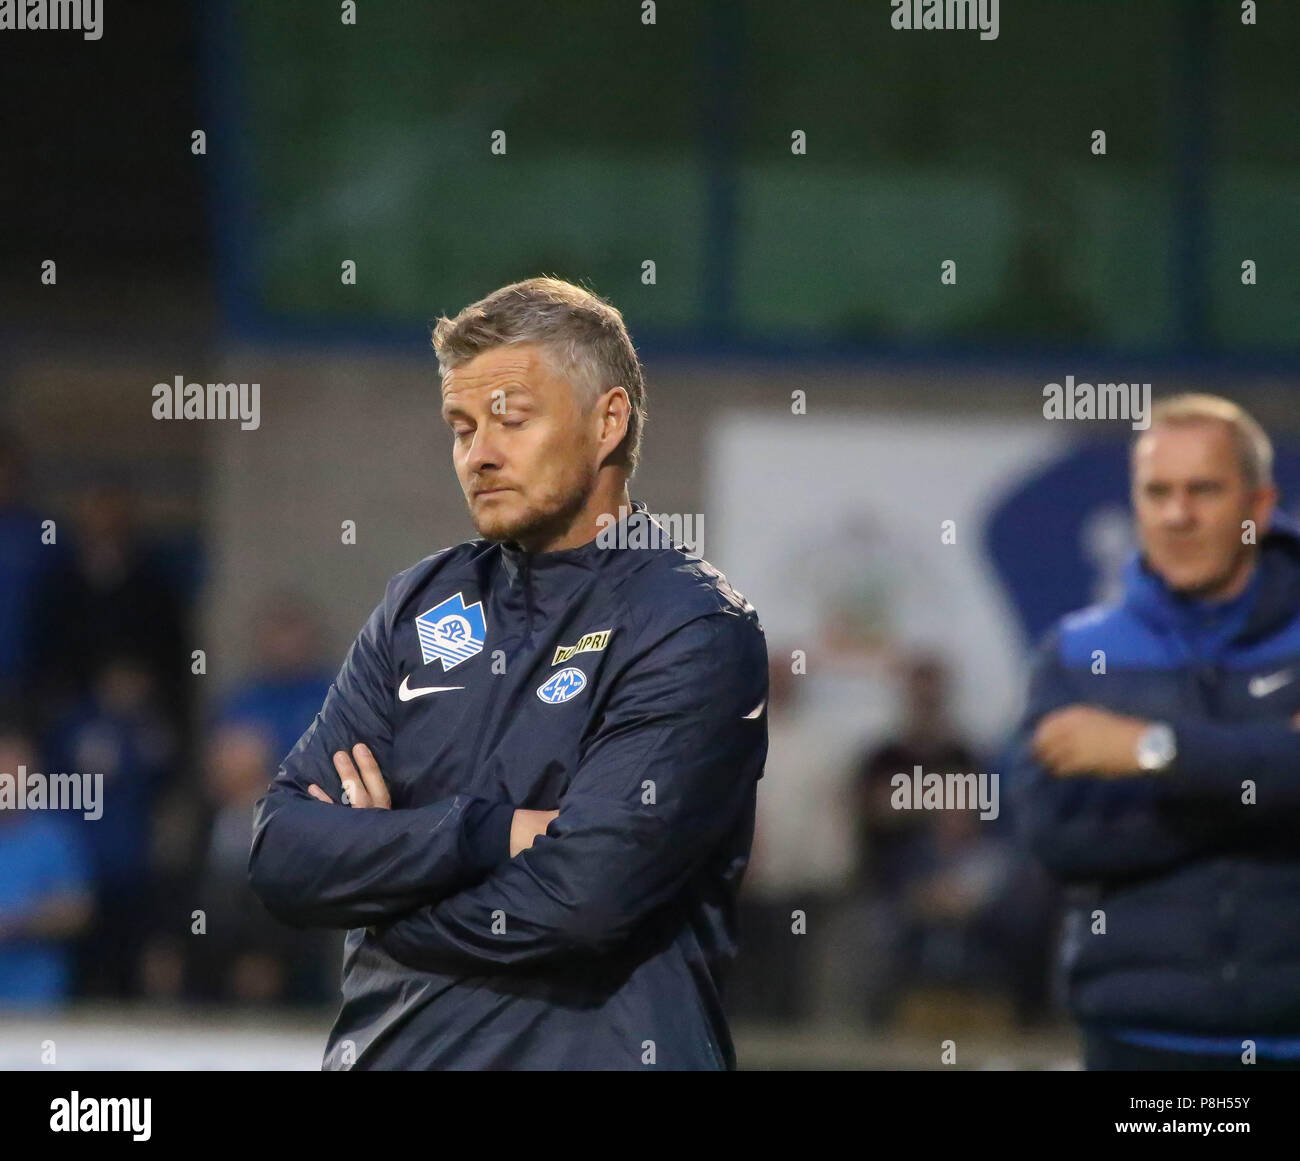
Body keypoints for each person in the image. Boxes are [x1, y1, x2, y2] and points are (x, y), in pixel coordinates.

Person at [249, 277, 768, 1070]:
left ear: (608, 421)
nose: (478, 453)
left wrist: (380, 889)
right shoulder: (420, 603)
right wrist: (484, 832)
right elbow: (284, 853)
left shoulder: (691, 627)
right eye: (460, 428)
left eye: (511, 420)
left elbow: (581, 901)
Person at [1010, 394, 1300, 1070]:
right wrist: (1266, 778)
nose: (1177, 514)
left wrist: (1149, 751)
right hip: (1137, 1042)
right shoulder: (1078, 652)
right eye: (1156, 492)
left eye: (1204, 490)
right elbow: (1055, 838)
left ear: (1258, 507)